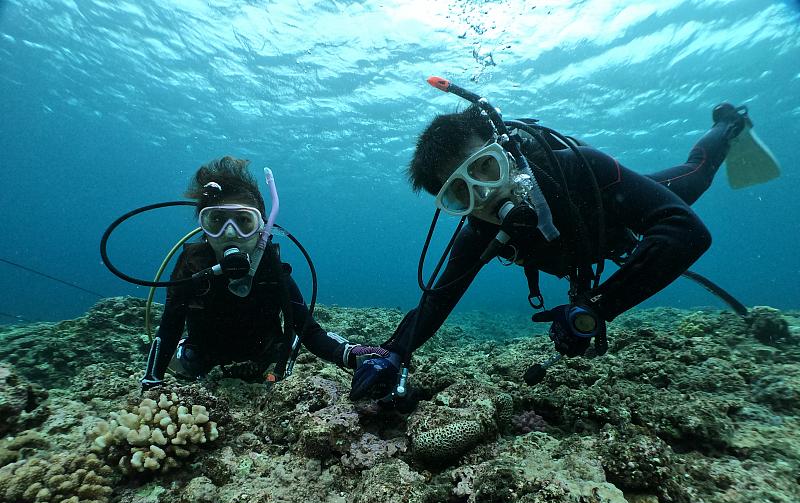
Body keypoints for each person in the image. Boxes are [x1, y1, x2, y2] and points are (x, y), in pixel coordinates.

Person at [350, 82, 779, 403]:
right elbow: (437, 300)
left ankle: (729, 124)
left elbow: (686, 232)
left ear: (505, 152)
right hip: (587, 251)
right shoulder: (479, 231)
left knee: (695, 176)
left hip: (615, 216)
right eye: (461, 193)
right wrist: (391, 353)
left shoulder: (579, 169)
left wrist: (597, 307)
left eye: (485, 167)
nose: (486, 194)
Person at [141, 156, 384, 390]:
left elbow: (310, 332)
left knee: (279, 355)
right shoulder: (192, 268)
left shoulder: (271, 270)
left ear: (262, 228)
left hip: (264, 356)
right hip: (204, 357)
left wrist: (350, 353)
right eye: (216, 220)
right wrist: (152, 380)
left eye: (244, 221)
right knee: (188, 363)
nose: (230, 233)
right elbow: (169, 329)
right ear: (204, 228)